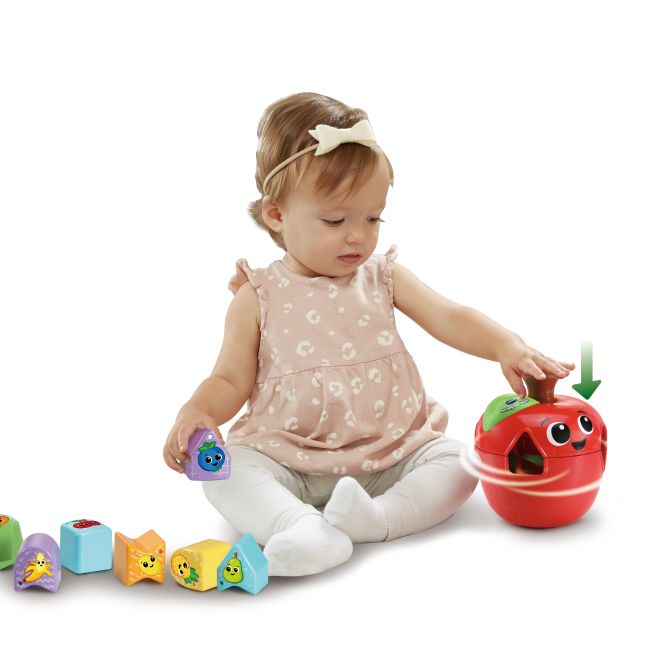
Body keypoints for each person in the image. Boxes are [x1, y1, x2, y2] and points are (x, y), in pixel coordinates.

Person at [162, 92, 576, 577]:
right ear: (277, 215)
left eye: (373, 218)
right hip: (288, 456)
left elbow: (449, 316)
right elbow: (229, 380)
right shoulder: (258, 296)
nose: (358, 235)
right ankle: (300, 528)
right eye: (335, 220)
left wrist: (507, 345)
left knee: (459, 461)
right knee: (227, 470)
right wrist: (197, 412)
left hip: (391, 451)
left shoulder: (382, 277)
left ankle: (377, 519)